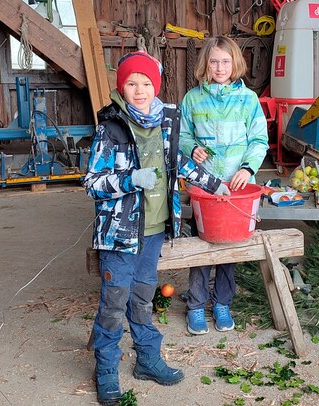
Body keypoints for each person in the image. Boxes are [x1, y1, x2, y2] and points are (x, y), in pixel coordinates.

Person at [84, 51, 231, 406]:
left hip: (153, 231)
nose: (139, 90)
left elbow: (176, 162)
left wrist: (214, 184)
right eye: (132, 83)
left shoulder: (165, 121)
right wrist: (129, 179)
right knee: (114, 301)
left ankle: (147, 359)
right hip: (119, 234)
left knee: (142, 296)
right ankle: (105, 367)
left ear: (156, 86)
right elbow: (92, 182)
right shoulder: (110, 128)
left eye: (146, 83)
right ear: (122, 87)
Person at [178, 36, 269, 335]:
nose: (219, 67)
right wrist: (191, 149)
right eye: (214, 61)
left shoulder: (248, 100)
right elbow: (181, 135)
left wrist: (247, 167)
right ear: (206, 63)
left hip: (237, 187)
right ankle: (195, 304)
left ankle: (222, 303)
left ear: (235, 64)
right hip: (205, 186)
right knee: (202, 244)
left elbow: (259, 140)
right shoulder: (192, 99)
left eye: (225, 61)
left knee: (231, 245)